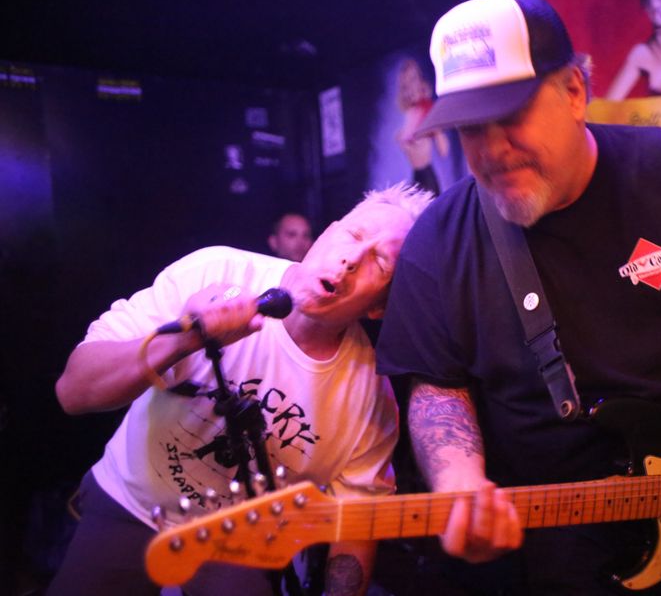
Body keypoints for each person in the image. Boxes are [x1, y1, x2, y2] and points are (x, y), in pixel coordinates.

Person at [376, 0, 661, 593]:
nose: (492, 149)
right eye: (470, 128)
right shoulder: (437, 241)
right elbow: (437, 385)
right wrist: (458, 480)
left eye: (510, 114)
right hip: (557, 543)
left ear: (574, 91)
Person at [49, 183, 433, 596]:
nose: (352, 259)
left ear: (379, 308)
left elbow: (356, 523)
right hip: (131, 499)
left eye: (380, 261)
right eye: (354, 235)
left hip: (240, 543)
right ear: (326, 233)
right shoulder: (216, 270)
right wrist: (185, 339)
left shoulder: (370, 400)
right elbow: (74, 392)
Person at [395, 58, 450, 197]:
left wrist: (436, 131)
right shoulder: (411, 112)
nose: (410, 88)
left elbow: (444, 150)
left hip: (427, 178)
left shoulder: (426, 109)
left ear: (420, 81)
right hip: (416, 177)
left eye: (413, 80)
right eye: (406, 85)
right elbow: (403, 139)